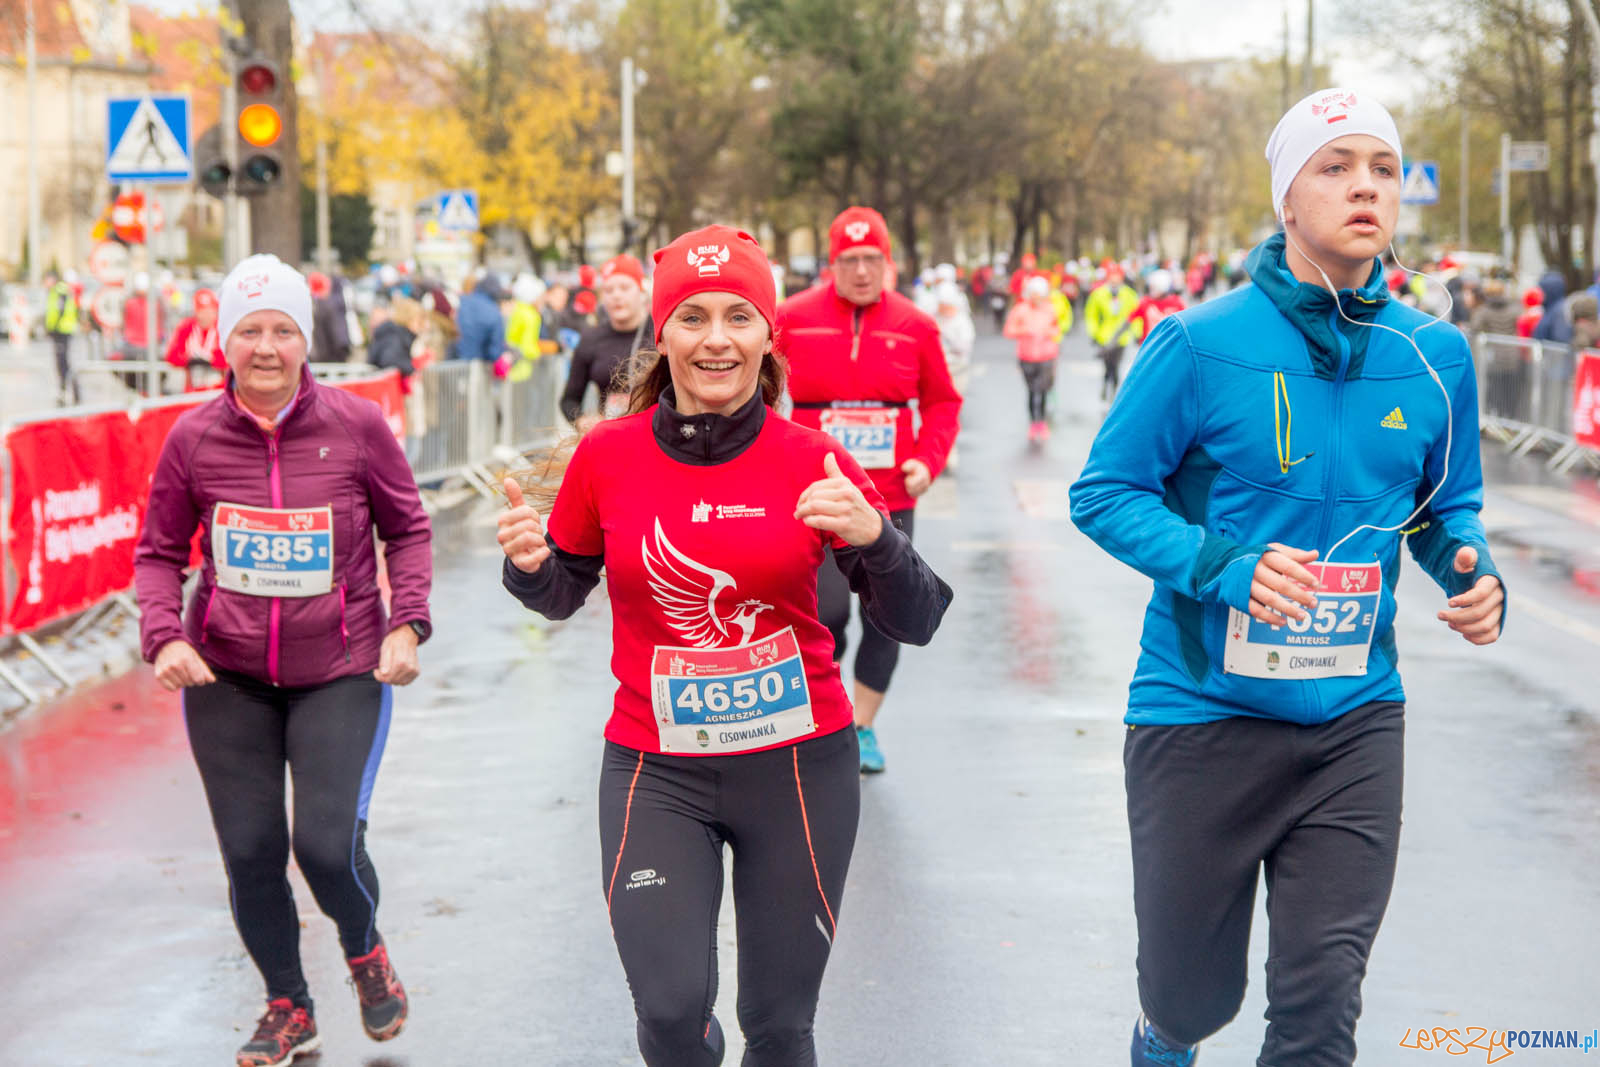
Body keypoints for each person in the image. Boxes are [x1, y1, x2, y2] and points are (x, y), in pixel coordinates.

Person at [1070, 88, 1505, 1067]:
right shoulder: (1198, 342)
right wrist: (1223, 565)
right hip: (1201, 713)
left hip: (1355, 718)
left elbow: (1443, 506)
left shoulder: (1434, 354)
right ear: (1285, 198)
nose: (1366, 187)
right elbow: (1104, 492)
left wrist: (1470, 570)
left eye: (1382, 168)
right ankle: (1165, 1033)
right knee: (1190, 996)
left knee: (1320, 1006)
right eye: (1334, 166)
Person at [497, 225, 952, 1066]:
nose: (716, 339)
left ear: (767, 336)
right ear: (662, 335)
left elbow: (916, 618)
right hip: (657, 768)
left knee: (779, 1026)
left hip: (798, 767)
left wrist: (879, 539)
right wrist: (529, 567)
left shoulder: (813, 459)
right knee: (671, 1015)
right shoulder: (607, 457)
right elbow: (559, 592)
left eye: (738, 317)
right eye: (693, 317)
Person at [133, 253, 433, 1067]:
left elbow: (408, 529)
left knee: (325, 847)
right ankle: (289, 1004)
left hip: (341, 667)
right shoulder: (193, 437)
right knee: (251, 850)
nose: (266, 347)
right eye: (249, 330)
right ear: (224, 340)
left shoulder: (356, 424)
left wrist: (408, 623)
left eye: (283, 330)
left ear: (305, 339)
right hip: (226, 676)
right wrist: (165, 635)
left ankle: (364, 949)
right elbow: (157, 552)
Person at [775, 206, 963, 774]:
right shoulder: (791, 317)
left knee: (888, 616)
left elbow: (942, 402)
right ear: (832, 264)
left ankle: (863, 726)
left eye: (872, 260)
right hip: (815, 494)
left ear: (888, 262)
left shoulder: (915, 324)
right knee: (825, 612)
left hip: (889, 497)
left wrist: (928, 460)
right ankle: (824, 715)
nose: (861, 271)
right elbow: (758, 391)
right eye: (850, 260)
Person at [560, 254, 652, 431]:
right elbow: (569, 400)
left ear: (641, 293)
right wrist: (582, 421)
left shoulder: (662, 334)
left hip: (655, 435)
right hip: (611, 435)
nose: (616, 295)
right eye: (609, 290)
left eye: (624, 288)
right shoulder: (591, 338)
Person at [1003, 274, 1063, 439]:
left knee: (1042, 390)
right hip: (1027, 357)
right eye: (1034, 294)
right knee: (1031, 390)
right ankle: (1032, 423)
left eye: (1040, 294)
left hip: (1046, 356)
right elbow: (1009, 330)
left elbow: (1057, 329)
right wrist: (1025, 330)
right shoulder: (1020, 309)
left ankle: (1041, 422)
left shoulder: (1050, 309)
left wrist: (1049, 333)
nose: (1036, 297)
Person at [1085, 262, 1139, 405]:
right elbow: (1091, 315)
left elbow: (1135, 315)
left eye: (1117, 276)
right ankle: (1105, 385)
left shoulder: (1129, 295)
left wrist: (1136, 333)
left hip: (1121, 338)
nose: (1114, 280)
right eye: (1112, 276)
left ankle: (1113, 391)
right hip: (1104, 336)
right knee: (1107, 365)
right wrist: (1094, 333)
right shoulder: (1098, 294)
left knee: (1116, 365)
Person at [165, 288, 226, 391]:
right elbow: (172, 356)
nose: (206, 316)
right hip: (192, 388)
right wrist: (188, 359)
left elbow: (230, 358)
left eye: (210, 311)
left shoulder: (221, 328)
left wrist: (212, 359)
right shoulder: (187, 327)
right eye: (202, 311)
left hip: (217, 389)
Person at [43, 269, 81, 405]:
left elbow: (60, 310)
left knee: (63, 364)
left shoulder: (60, 291)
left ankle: (71, 392)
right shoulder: (58, 291)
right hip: (61, 331)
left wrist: (52, 328)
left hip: (61, 331)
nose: (45, 283)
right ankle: (66, 392)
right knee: (62, 363)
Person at [453, 273, 509, 364]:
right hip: (479, 363)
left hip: (457, 360)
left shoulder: (464, 302)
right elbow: (495, 351)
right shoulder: (494, 312)